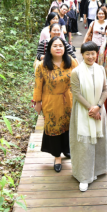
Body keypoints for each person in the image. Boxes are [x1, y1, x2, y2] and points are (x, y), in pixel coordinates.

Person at [33, 37, 79, 172]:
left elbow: (79, 80)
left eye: (61, 45)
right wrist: (38, 102)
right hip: (51, 101)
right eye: (55, 46)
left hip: (69, 100)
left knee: (69, 126)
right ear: (49, 48)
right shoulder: (42, 65)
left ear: (65, 48)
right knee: (54, 128)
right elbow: (38, 86)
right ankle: (57, 156)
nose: (58, 48)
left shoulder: (71, 62)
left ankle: (67, 149)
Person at [69, 41, 107, 192]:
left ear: (96, 54)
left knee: (99, 141)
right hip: (83, 111)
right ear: (82, 55)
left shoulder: (100, 69)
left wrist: (98, 106)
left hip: (99, 110)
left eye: (93, 53)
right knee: (84, 144)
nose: (91, 56)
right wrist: (91, 109)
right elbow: (76, 93)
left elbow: (105, 90)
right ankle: (84, 176)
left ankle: (99, 169)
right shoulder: (76, 72)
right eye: (87, 54)